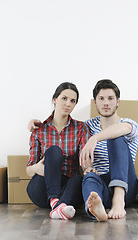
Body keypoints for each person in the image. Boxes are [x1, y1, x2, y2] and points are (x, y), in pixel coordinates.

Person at [29, 79, 138, 221]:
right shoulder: (87, 126)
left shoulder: (129, 124)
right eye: (101, 99)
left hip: (126, 187)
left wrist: (95, 138)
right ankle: (95, 209)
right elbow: (65, 125)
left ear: (118, 101)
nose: (106, 103)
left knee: (115, 138)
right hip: (101, 186)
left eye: (110, 98)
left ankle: (118, 201)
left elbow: (124, 129)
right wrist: (35, 123)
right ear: (95, 102)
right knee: (88, 177)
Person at [26, 82, 90, 220]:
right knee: (54, 151)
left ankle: (58, 208)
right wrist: (37, 168)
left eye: (73, 101)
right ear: (55, 100)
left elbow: (84, 161)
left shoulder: (81, 128)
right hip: (43, 186)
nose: (68, 104)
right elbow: (29, 170)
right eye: (64, 98)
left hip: (69, 188)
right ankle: (55, 201)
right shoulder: (39, 130)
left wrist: (89, 169)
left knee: (79, 179)